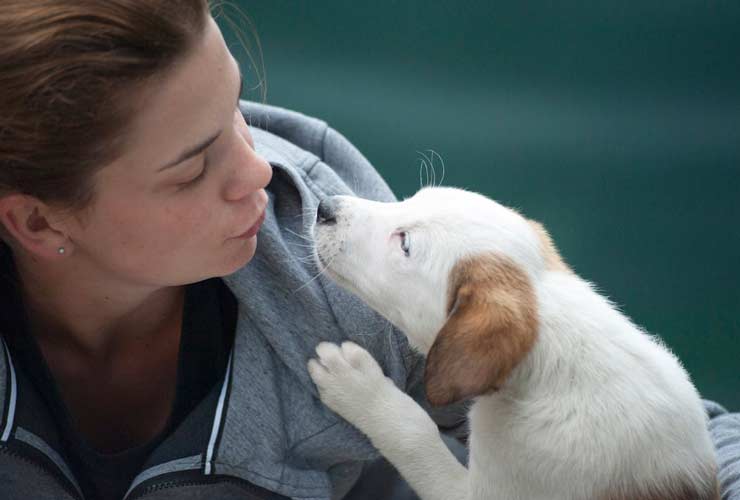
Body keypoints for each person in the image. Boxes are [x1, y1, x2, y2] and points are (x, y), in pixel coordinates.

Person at [0, 2, 736, 500]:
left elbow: (680, 443)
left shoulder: (351, 295)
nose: (259, 170)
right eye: (194, 167)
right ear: (36, 224)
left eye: (234, 109)